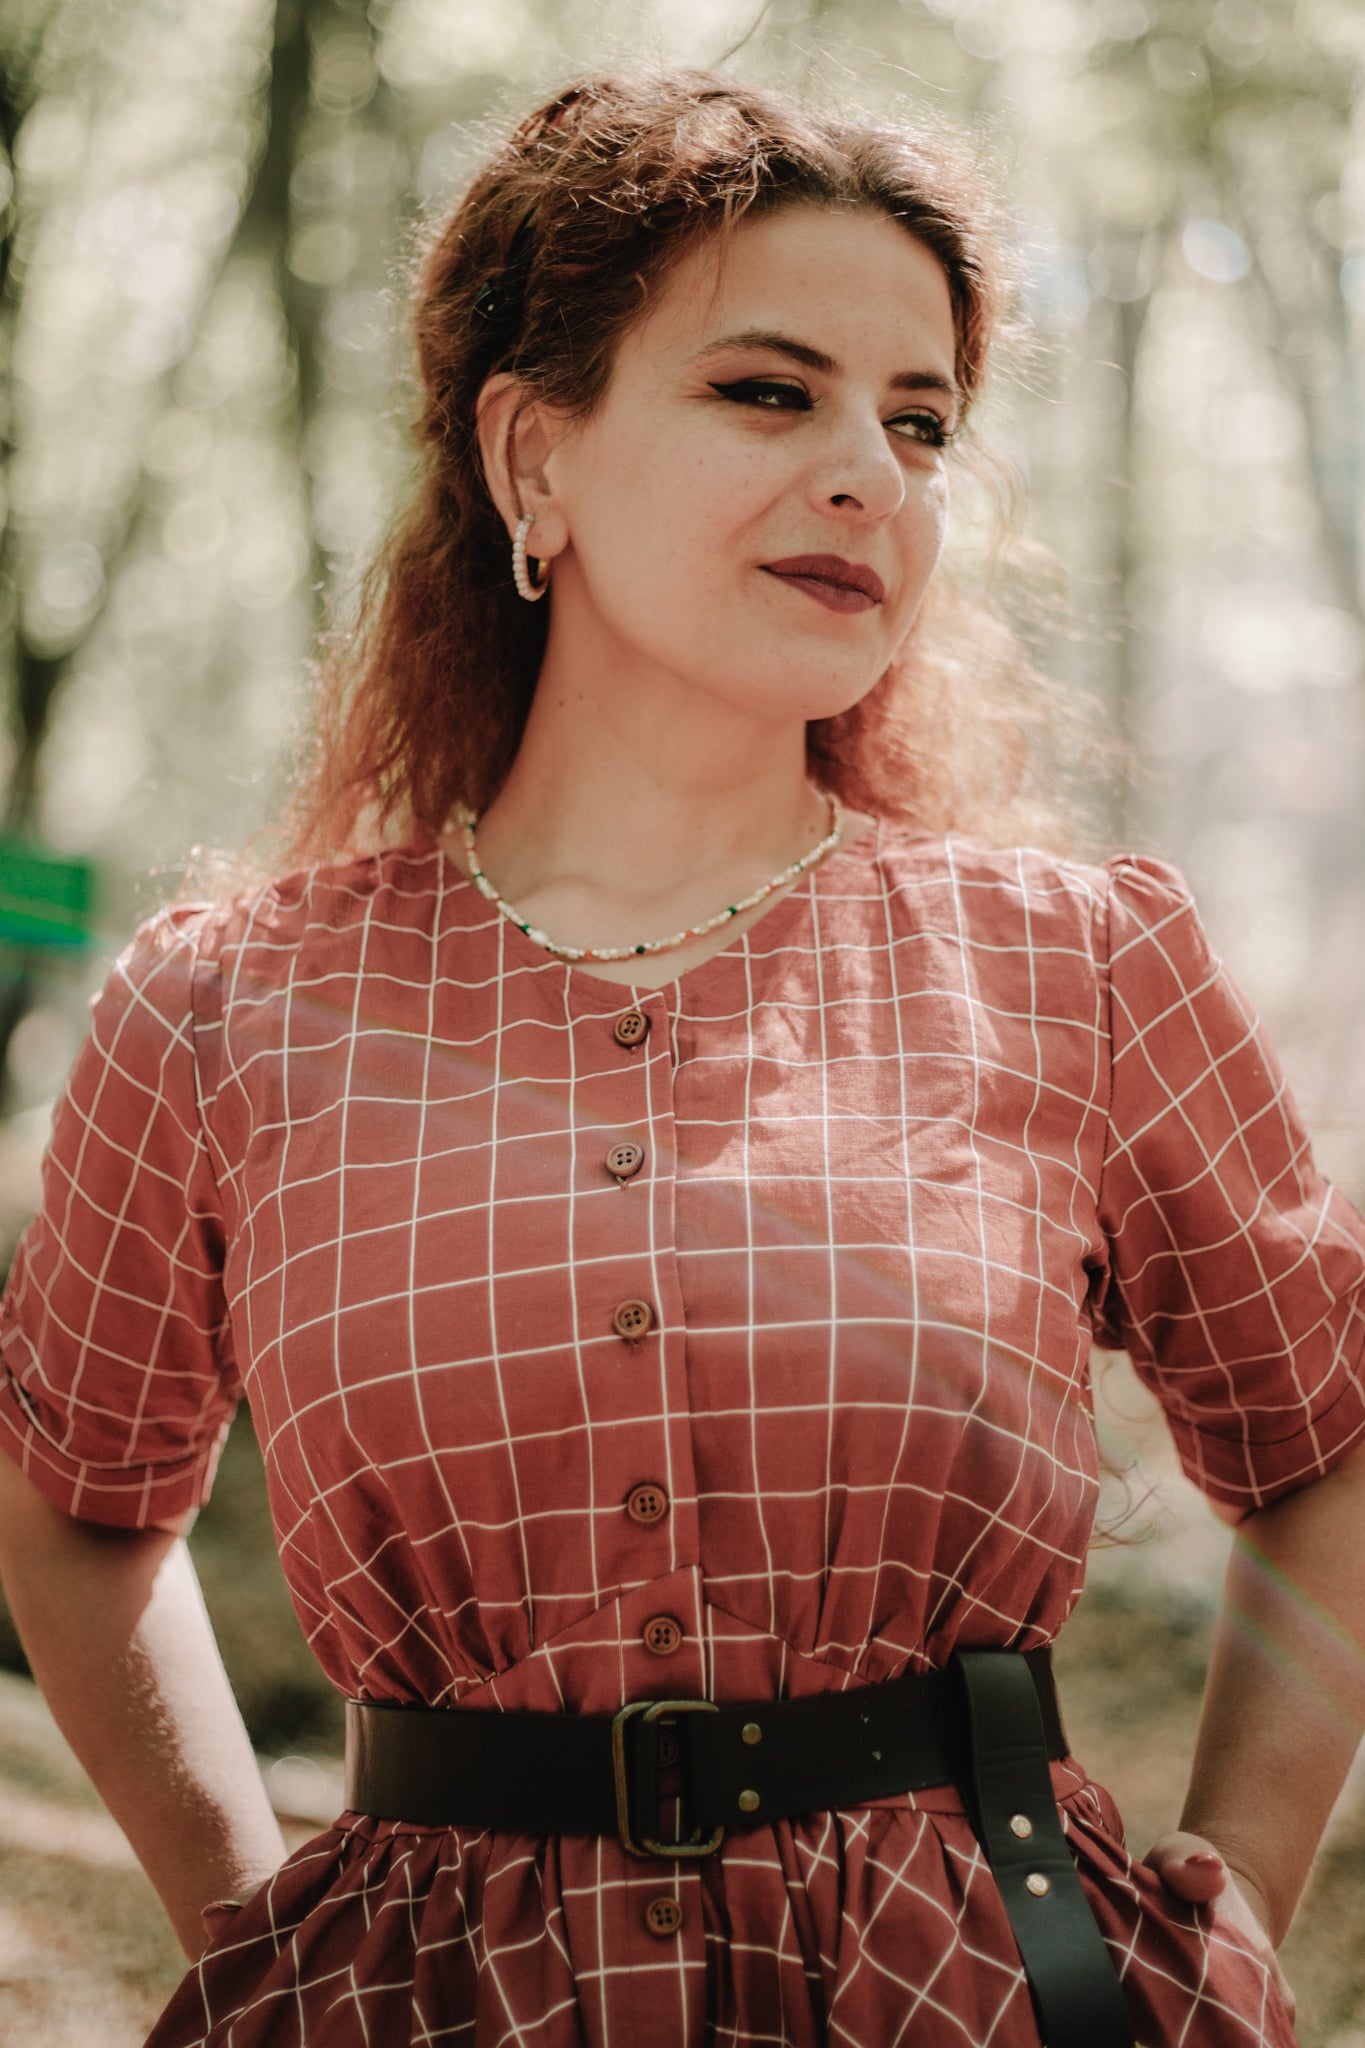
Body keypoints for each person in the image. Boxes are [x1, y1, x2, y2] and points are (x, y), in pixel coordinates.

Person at [0, 68, 1360, 2048]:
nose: (867, 475)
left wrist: (1227, 1911)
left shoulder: (1076, 966)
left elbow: (1323, 1451)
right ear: (530, 456)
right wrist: (251, 1936)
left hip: (979, 1997)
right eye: (765, 389)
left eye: (917, 423)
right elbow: (76, 1505)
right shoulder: (222, 1010)